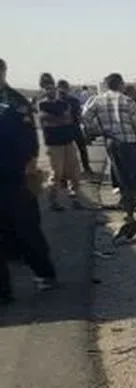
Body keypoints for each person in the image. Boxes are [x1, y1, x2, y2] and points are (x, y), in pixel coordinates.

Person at [0, 58, 59, 301]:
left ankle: (44, 274)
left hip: (15, 176)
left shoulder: (15, 102)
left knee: (26, 228)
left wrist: (30, 166)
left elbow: (29, 142)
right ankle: (3, 292)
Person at [81, 73, 136, 223]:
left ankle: (128, 207)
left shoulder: (97, 100)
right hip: (130, 143)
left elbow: (85, 117)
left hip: (112, 142)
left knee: (122, 176)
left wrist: (100, 130)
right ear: (120, 84)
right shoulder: (127, 101)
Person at [36, 73, 84, 210]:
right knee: (56, 173)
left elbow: (67, 118)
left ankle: (75, 197)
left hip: (67, 140)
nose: (50, 90)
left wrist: (55, 119)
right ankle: (53, 200)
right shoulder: (41, 103)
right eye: (47, 87)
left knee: (74, 171)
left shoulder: (62, 103)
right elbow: (44, 120)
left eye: (52, 87)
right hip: (53, 142)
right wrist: (58, 119)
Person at [57, 79, 92, 175]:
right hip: (72, 127)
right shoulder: (72, 100)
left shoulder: (58, 101)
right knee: (79, 148)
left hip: (68, 128)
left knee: (76, 149)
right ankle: (85, 168)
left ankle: (83, 168)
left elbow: (79, 114)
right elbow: (79, 115)